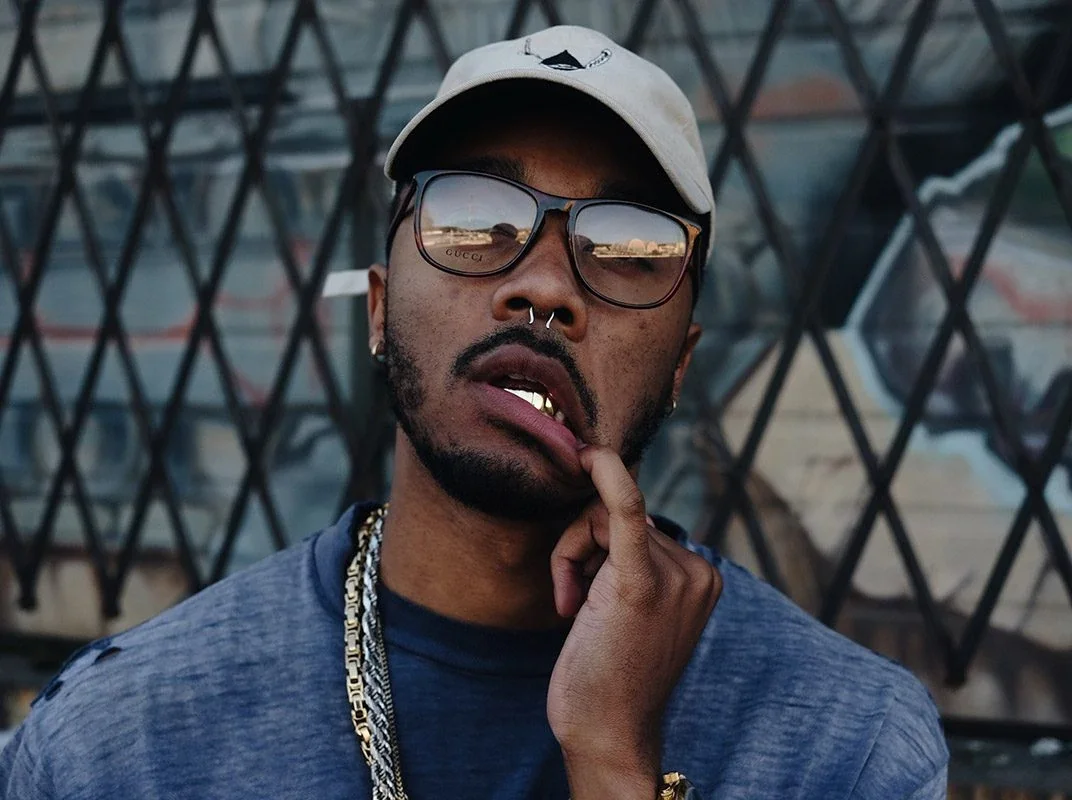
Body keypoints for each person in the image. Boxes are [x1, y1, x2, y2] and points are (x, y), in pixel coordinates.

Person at [0, 25, 948, 799]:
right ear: (379, 310)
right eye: (472, 219)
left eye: (628, 245)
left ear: (680, 367)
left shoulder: (851, 748)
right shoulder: (117, 746)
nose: (544, 286)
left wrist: (612, 760)